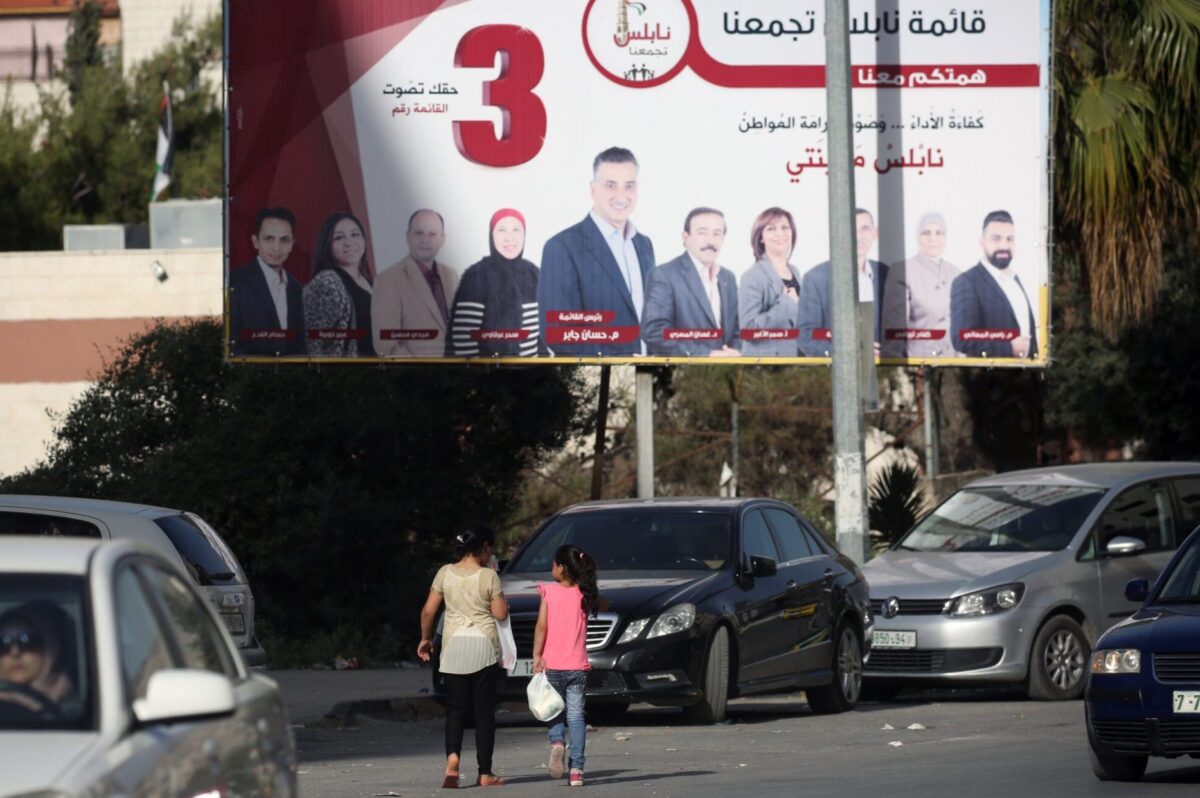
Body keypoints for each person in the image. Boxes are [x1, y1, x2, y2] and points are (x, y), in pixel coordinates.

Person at [538, 147, 656, 356]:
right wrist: (619, 360)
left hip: (648, 374)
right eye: (611, 186)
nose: (621, 196)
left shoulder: (643, 245)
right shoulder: (562, 247)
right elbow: (558, 332)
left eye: (629, 186)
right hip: (601, 377)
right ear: (593, 190)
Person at [417, 526, 508, 788]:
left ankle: (453, 761)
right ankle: (485, 772)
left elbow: (427, 612)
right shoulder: (488, 576)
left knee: (455, 710)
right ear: (484, 549)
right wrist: (496, 582)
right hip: (483, 648)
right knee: (483, 714)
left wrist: (425, 638)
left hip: (454, 647)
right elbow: (500, 614)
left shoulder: (445, 573)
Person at [532, 545, 600, 788]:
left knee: (553, 710)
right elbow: (603, 604)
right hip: (577, 667)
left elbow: (541, 626)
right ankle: (577, 771)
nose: (551, 568)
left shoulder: (549, 592)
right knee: (576, 716)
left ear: (561, 568)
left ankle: (557, 743)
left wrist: (537, 655)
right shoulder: (585, 594)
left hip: (553, 665)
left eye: (553, 564)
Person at [445, 209, 545, 357]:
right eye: (501, 230)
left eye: (516, 230)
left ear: (524, 235)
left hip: (531, 375)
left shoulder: (535, 275)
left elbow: (540, 335)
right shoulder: (477, 276)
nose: (509, 238)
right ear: (491, 235)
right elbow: (463, 341)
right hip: (488, 375)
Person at [641, 207, 740, 356]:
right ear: (686, 238)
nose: (710, 241)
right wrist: (707, 355)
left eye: (717, 234)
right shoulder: (664, 275)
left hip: (727, 373)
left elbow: (740, 328)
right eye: (702, 233)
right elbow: (654, 332)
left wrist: (736, 351)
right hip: (685, 373)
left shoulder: (728, 278)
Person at [797, 208, 888, 356]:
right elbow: (806, 335)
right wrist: (848, 353)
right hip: (837, 373)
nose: (859, 236)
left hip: (883, 371)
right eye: (851, 229)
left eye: (865, 229)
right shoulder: (816, 278)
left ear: (874, 233)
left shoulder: (886, 274)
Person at [949, 210, 1038, 358]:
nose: (1004, 245)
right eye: (996, 239)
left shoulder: (1015, 280)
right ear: (982, 242)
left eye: (1010, 239)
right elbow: (961, 338)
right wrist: (1008, 348)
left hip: (1028, 376)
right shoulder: (967, 282)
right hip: (988, 378)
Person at [372, 209, 459, 357]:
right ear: (408, 236)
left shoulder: (452, 275)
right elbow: (385, 344)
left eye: (432, 234)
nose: (425, 240)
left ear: (442, 239)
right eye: (419, 233)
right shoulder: (387, 280)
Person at [880, 212, 962, 358]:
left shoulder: (955, 272)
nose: (933, 238)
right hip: (918, 362)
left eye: (939, 233)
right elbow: (894, 328)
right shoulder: (902, 270)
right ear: (917, 237)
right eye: (926, 233)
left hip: (952, 361)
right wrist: (892, 363)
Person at [229, 207, 306, 356]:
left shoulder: (296, 287)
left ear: (292, 244)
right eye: (269, 239)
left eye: (284, 240)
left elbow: (299, 342)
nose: (277, 248)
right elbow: (233, 342)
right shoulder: (236, 282)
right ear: (255, 241)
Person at [304, 212, 376, 357]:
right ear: (327, 244)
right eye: (339, 237)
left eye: (355, 234)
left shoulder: (368, 280)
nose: (348, 243)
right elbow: (311, 342)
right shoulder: (327, 282)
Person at [738, 207, 804, 357]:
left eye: (785, 227)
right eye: (771, 229)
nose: (779, 233)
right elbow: (748, 331)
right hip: (766, 368)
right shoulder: (752, 276)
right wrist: (787, 303)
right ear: (761, 237)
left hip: (795, 363)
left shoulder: (795, 272)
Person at [0, 601, 77, 722]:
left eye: (26, 641)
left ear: (50, 647)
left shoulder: (77, 709)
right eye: (3, 644)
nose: (15, 653)